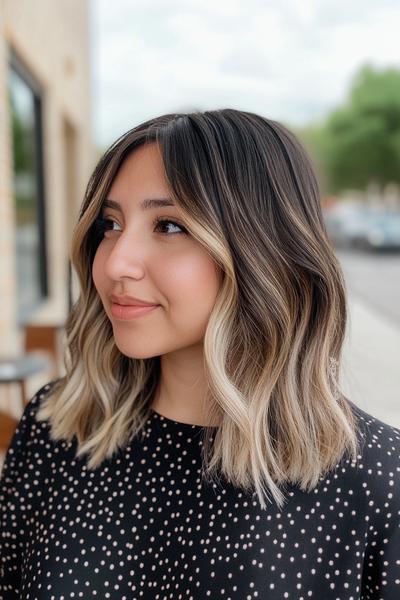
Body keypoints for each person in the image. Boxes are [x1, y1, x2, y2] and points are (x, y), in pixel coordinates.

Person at [1, 109, 399, 599]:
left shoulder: (379, 480)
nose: (117, 261)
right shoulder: (54, 429)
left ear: (264, 251)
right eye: (110, 223)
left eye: (169, 226)